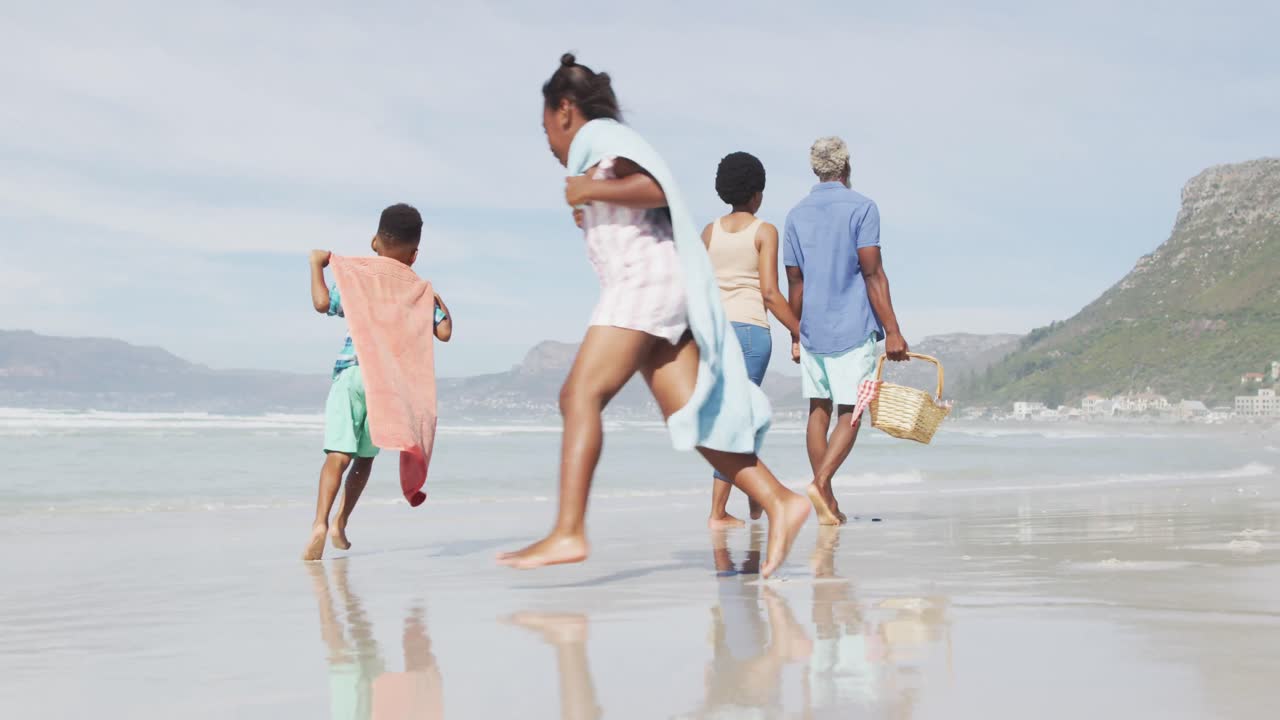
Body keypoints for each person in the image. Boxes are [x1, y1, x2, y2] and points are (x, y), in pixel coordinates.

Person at [498, 54, 810, 577]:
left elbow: (655, 188)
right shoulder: (601, 151)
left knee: (578, 396)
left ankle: (569, 531)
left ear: (565, 110)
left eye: (546, 124)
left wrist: (592, 190)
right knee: (691, 415)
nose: (548, 139)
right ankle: (780, 499)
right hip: (660, 287)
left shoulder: (601, 139)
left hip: (643, 285)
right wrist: (595, 203)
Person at [303, 204, 453, 561]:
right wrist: (436, 297)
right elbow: (444, 332)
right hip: (385, 385)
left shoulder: (359, 278)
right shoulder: (417, 290)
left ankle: (320, 523)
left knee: (338, 454)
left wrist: (316, 265)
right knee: (365, 458)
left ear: (374, 242)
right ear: (414, 255)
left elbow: (322, 303)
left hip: (352, 374)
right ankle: (341, 523)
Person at [783, 137, 908, 526]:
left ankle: (828, 503)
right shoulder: (862, 208)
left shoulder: (795, 215)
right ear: (846, 167)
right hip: (851, 327)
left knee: (817, 409)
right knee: (851, 411)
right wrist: (893, 331)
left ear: (815, 169)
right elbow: (872, 273)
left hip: (811, 329)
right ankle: (821, 484)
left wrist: (795, 334)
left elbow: (795, 282)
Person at [702, 151, 803, 529]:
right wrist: (799, 331)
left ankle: (754, 497)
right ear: (757, 192)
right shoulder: (764, 231)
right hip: (749, 333)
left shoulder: (709, 232)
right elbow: (771, 294)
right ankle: (718, 512)